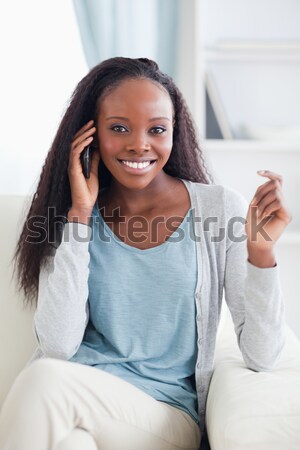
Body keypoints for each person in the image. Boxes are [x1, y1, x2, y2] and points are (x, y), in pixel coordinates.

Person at [0, 57, 291, 450]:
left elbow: (262, 355)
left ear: (174, 133)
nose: (139, 144)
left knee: (43, 380)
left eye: (157, 129)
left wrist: (260, 253)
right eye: (119, 128)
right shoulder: (71, 214)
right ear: (90, 136)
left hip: (163, 413)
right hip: (75, 397)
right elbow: (58, 344)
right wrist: (80, 217)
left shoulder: (219, 209)